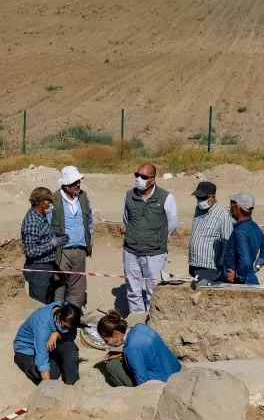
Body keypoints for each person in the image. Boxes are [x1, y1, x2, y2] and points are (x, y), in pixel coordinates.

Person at [121, 162, 178, 315]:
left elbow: (172, 224)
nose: (138, 179)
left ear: (152, 179)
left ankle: (152, 321)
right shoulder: (129, 195)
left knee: (153, 290)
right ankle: (137, 322)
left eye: (143, 176)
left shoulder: (166, 197)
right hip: (131, 252)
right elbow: (126, 219)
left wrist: (155, 239)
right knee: (133, 290)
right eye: (137, 175)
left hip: (155, 254)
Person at [95, 311, 182, 387]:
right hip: (175, 371)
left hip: (162, 382)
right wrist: (122, 355)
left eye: (106, 340)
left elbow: (142, 381)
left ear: (115, 334)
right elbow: (146, 352)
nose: (107, 343)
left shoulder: (131, 349)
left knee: (112, 366)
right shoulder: (140, 327)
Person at [50, 165, 94, 308]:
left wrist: (89, 243)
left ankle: (73, 317)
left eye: (78, 181)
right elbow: (47, 225)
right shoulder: (54, 199)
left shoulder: (83, 196)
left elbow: (89, 221)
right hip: (61, 252)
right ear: (66, 184)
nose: (78, 184)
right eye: (74, 182)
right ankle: (57, 316)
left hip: (80, 250)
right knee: (59, 287)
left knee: (78, 289)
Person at [13, 301, 82, 385]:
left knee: (71, 349)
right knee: (52, 375)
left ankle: (73, 382)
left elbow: (71, 335)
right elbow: (42, 362)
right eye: (65, 327)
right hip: (27, 349)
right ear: (60, 317)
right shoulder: (42, 326)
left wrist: (56, 334)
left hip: (48, 341)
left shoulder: (69, 311)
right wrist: (49, 388)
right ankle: (21, 360)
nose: (66, 330)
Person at [20, 187, 65, 303]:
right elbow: (30, 251)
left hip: (46, 267)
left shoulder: (41, 217)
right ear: (41, 203)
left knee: (47, 301)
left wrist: (55, 236)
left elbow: (42, 237)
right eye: (48, 201)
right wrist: (53, 243)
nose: (50, 204)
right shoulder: (32, 222)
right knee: (39, 304)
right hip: (38, 270)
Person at [219, 191, 264, 285]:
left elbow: (245, 261)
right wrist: (255, 268)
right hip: (250, 279)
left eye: (232, 203)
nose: (230, 206)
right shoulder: (253, 226)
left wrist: (238, 276)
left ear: (237, 207)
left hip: (239, 284)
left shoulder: (239, 231)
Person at [188, 180, 232, 283]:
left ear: (212, 197)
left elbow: (227, 243)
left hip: (210, 268)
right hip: (194, 264)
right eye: (197, 198)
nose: (199, 200)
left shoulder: (223, 215)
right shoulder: (198, 209)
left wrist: (223, 268)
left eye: (202, 198)